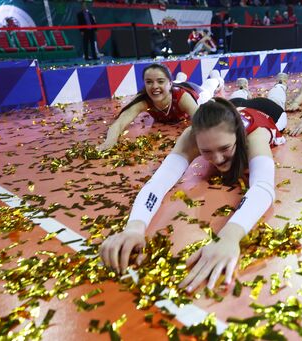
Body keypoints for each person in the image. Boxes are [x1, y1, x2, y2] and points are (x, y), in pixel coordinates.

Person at [99, 74, 289, 292]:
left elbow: (263, 187)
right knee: (238, 98)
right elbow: (159, 182)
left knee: (276, 98)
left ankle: (279, 84)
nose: (217, 160)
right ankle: (241, 88)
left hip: (267, 110)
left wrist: (229, 236)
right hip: (233, 107)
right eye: (206, 151)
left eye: (225, 149)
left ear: (237, 136)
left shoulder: (254, 136)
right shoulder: (192, 135)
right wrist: (134, 228)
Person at [97, 64, 224, 151]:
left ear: (169, 83)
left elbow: (199, 118)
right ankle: (180, 78)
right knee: (168, 87)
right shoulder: (144, 100)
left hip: (196, 93)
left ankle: (216, 77)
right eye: (149, 82)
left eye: (160, 81)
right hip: (172, 87)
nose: (154, 86)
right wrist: (109, 142)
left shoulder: (182, 98)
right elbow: (120, 123)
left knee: (209, 87)